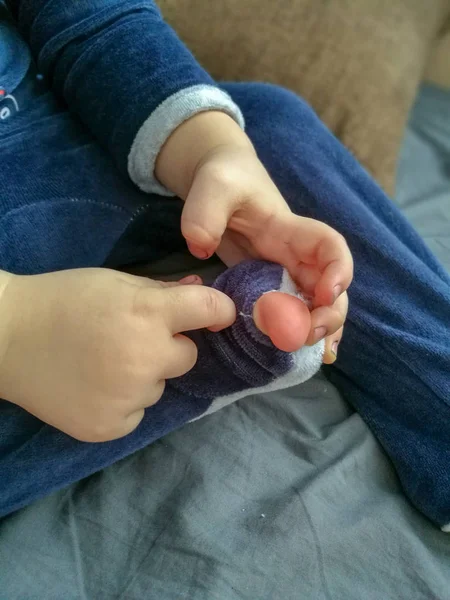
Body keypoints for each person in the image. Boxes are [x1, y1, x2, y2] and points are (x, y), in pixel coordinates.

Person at [0, 1, 449, 530]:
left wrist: (212, 151)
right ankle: (222, 353)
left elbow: (97, 22)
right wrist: (14, 329)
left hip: (85, 136)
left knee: (269, 119)